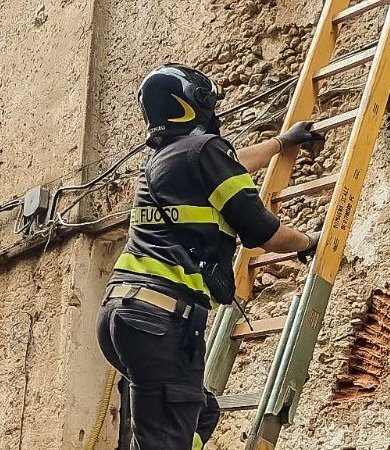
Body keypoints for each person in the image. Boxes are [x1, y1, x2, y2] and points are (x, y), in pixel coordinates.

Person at [96, 63, 323, 449]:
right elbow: (264, 234)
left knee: (201, 412)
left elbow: (232, 162)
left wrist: (282, 143)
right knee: (165, 438)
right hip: (161, 321)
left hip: (122, 317)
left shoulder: (162, 161)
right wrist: (309, 242)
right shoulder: (203, 152)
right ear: (195, 103)